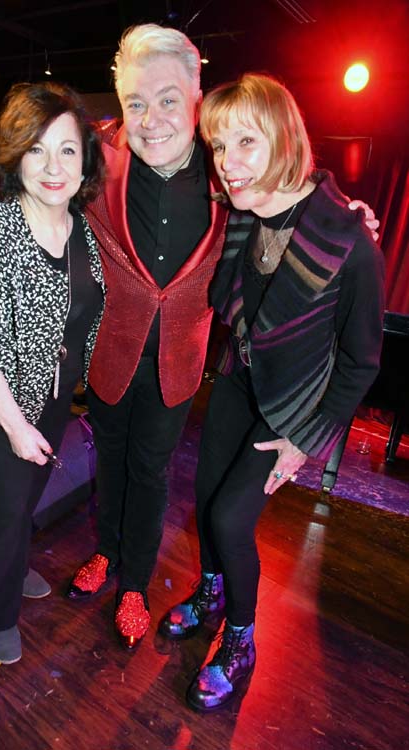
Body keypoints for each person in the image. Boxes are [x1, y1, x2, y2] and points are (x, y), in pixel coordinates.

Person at [0, 25, 379, 652]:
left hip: (179, 358)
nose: (151, 120)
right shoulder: (100, 156)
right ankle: (105, 553)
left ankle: (135, 584)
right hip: (110, 353)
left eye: (169, 99)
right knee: (110, 462)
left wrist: (349, 210)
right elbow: (40, 168)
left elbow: (296, 184)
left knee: (152, 474)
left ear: (198, 93)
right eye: (136, 103)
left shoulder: (228, 165)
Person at [158, 74, 385, 712]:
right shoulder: (243, 213)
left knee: (232, 517)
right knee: (205, 501)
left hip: (291, 409)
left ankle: (241, 638)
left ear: (286, 138)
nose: (228, 164)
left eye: (246, 143)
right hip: (238, 381)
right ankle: (210, 590)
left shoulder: (347, 240)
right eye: (219, 146)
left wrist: (306, 441)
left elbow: (363, 361)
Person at [0, 82, 106, 664]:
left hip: (51, 391)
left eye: (66, 150)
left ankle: (11, 561)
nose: (52, 166)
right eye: (36, 149)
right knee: (6, 499)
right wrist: (12, 424)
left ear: (86, 160)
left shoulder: (85, 232)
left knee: (30, 490)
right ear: (15, 155)